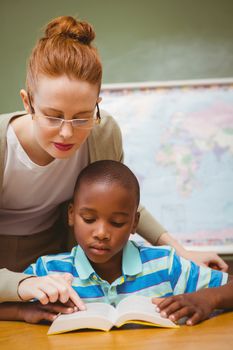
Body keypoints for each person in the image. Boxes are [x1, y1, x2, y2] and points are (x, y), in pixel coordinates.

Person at [0, 15, 227, 284]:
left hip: (54, 267)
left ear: (97, 104)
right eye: (53, 116)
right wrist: (20, 287)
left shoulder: (104, 133)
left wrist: (181, 251)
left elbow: (120, 201)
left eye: (83, 116)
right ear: (28, 103)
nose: (67, 132)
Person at [0, 160, 232, 325]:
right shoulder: (48, 272)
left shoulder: (167, 265)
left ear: (134, 223)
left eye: (118, 222)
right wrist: (23, 310)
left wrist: (208, 298)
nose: (101, 233)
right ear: (71, 215)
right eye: (89, 219)